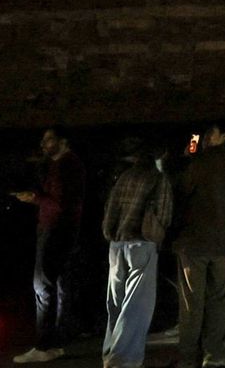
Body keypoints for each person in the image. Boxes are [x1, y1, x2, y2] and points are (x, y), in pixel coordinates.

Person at [174, 122, 225, 368]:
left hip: (194, 242)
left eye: (212, 134)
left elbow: (181, 192)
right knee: (219, 300)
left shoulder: (198, 163)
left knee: (191, 302)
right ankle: (215, 352)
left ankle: (188, 357)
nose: (207, 138)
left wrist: (189, 155)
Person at [11, 126, 87, 365]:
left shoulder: (67, 165)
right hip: (61, 229)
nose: (44, 144)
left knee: (42, 285)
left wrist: (35, 199)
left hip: (55, 229)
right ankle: (56, 342)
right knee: (60, 285)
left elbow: (61, 202)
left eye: (49, 139)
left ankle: (43, 345)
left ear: (63, 141)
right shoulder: (62, 164)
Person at [101, 137, 173, 368]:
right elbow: (164, 214)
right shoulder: (158, 179)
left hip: (117, 243)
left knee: (116, 301)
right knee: (136, 304)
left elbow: (110, 208)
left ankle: (110, 351)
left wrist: (111, 233)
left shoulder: (124, 177)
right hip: (142, 243)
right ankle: (125, 358)